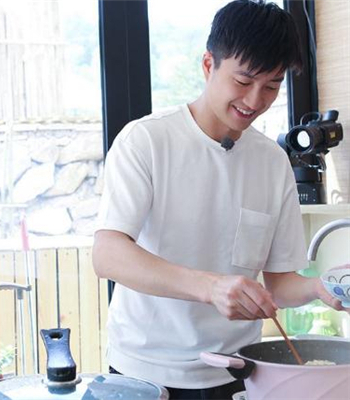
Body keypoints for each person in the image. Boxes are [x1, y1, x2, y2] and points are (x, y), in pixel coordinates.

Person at [92, 1, 346, 399]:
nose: (255, 100)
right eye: (243, 81)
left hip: (237, 371)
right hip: (146, 372)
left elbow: (279, 284)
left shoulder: (272, 161)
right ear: (209, 64)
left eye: (272, 86)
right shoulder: (147, 141)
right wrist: (210, 287)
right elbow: (108, 255)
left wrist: (319, 287)